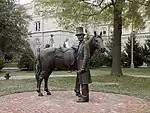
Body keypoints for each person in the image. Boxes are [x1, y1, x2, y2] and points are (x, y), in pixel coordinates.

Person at [74, 27, 92, 102]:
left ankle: (85, 97)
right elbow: (80, 54)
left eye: (80, 35)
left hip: (83, 67)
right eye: (78, 35)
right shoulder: (80, 44)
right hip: (80, 66)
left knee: (84, 82)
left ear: (83, 36)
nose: (79, 37)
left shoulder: (85, 44)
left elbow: (86, 56)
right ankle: (84, 96)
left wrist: (83, 68)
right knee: (81, 82)